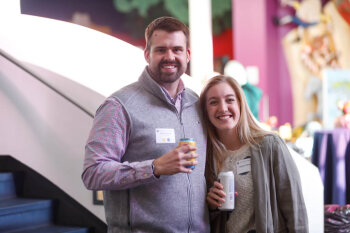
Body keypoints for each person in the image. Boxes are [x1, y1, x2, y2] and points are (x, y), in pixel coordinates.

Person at [82, 17, 210, 233]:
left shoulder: (197, 103)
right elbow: (93, 173)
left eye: (177, 49)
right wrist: (154, 168)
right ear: (147, 54)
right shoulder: (119, 106)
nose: (170, 57)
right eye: (161, 50)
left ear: (187, 55)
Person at [199, 75, 308, 233]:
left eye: (230, 100)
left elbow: (295, 208)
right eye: (213, 102)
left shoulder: (270, 145)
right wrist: (211, 206)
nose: (222, 108)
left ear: (241, 104)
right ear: (205, 110)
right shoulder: (206, 157)